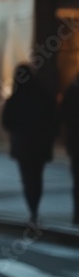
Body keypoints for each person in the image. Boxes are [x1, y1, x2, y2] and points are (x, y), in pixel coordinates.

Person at [1, 64, 57, 224]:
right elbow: (53, 119)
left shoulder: (14, 99)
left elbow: (6, 122)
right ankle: (35, 206)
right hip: (40, 143)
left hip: (22, 144)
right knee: (37, 176)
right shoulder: (44, 96)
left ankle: (33, 209)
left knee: (27, 178)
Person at [61, 74, 79, 225]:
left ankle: (77, 214)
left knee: (77, 180)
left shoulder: (71, 92)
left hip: (75, 142)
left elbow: (63, 116)